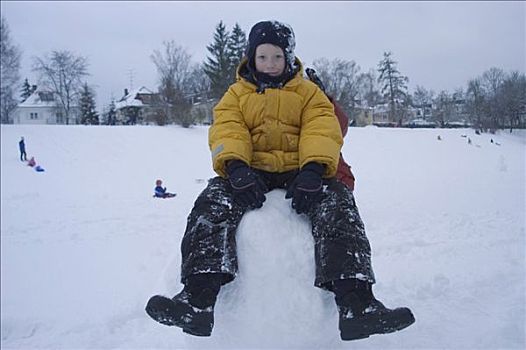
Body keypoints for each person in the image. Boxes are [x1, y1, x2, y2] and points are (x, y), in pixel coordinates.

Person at [145, 20, 414, 341]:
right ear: (251, 58)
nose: (270, 64)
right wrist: (235, 167)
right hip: (250, 172)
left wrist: (315, 169)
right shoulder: (236, 94)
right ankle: (197, 300)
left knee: (338, 203)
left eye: (277, 57)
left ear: (289, 57)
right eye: (262, 57)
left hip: (299, 172)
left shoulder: (307, 92)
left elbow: (322, 127)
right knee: (212, 201)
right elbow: (227, 129)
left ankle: (357, 305)